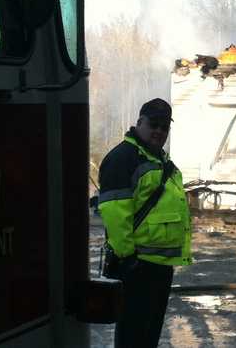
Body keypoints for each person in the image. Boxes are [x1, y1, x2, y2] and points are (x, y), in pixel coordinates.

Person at [98, 98, 192, 348]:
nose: (159, 131)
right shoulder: (124, 157)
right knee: (133, 334)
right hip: (137, 265)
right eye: (154, 124)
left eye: (164, 127)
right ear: (139, 122)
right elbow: (115, 213)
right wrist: (128, 258)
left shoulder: (160, 160)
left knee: (148, 335)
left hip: (160, 266)